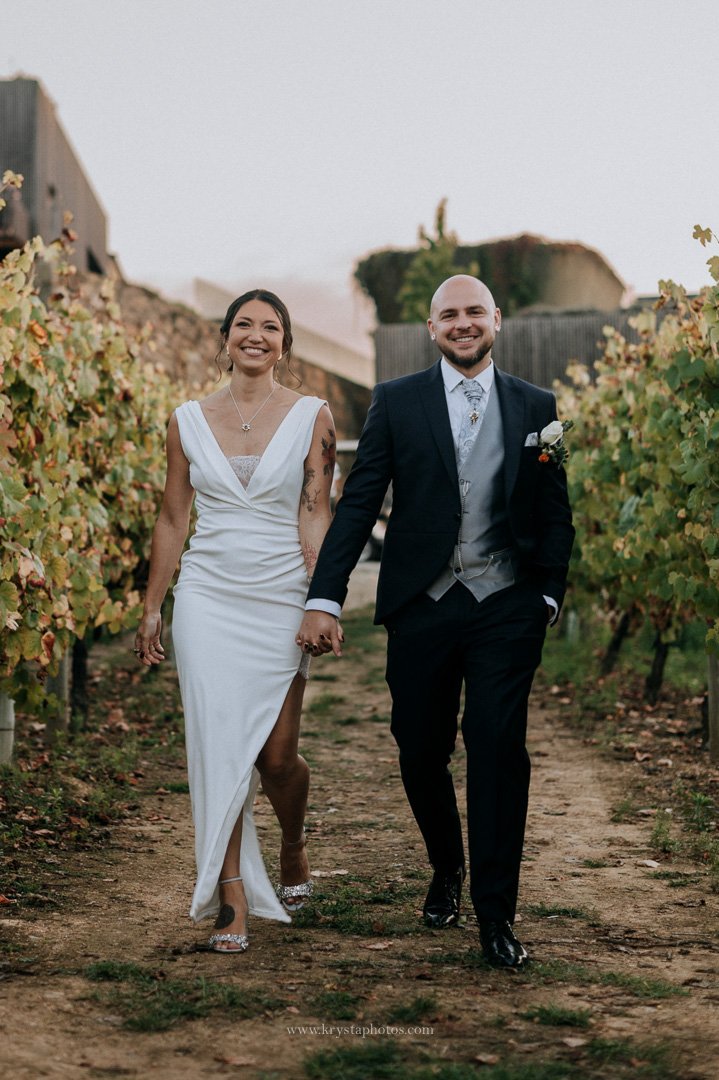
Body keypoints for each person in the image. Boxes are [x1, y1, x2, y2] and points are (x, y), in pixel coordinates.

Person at [297, 275, 574, 969]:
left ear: (496, 320)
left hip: (505, 605)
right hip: (421, 603)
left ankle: (494, 914)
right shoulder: (396, 401)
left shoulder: (541, 408)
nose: (462, 323)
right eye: (448, 314)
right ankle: (445, 864)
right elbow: (359, 504)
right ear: (430, 328)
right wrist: (325, 595)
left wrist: (546, 594)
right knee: (420, 749)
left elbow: (555, 508)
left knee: (496, 749)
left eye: (473, 312)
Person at [135, 289, 337, 953]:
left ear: (284, 344)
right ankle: (230, 898)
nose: (256, 335)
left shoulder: (313, 416)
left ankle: (291, 840)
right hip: (208, 597)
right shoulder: (186, 420)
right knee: (219, 751)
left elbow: (315, 510)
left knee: (277, 758)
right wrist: (152, 605)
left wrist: (321, 597)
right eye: (243, 325)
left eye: (270, 327)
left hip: (280, 592)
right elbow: (173, 518)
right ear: (225, 339)